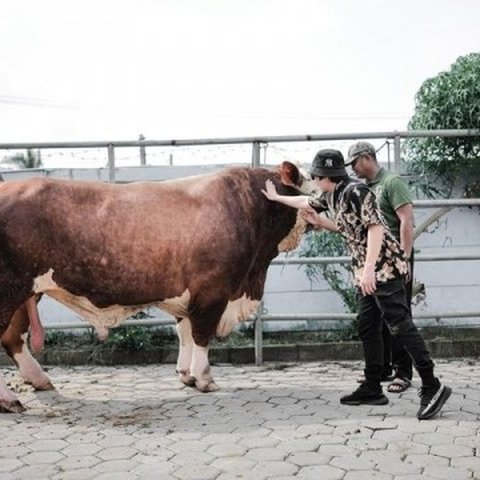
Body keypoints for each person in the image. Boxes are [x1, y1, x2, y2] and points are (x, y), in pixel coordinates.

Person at [262, 148, 451, 420]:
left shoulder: (356, 192)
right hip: (367, 271)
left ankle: (432, 385)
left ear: (325, 176)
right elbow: (320, 210)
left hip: (383, 268)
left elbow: (375, 228)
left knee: (399, 324)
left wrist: (370, 270)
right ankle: (372, 386)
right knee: (367, 324)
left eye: (316, 178)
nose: (314, 183)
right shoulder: (334, 195)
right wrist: (282, 199)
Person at [347, 141, 414, 394]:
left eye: (354, 162)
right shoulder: (366, 188)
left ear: (366, 157)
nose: (352, 168)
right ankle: (381, 368)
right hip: (375, 261)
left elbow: (407, 221)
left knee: (398, 317)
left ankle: (403, 372)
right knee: (372, 317)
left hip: (395, 260)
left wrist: (405, 259)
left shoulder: (391, 183)